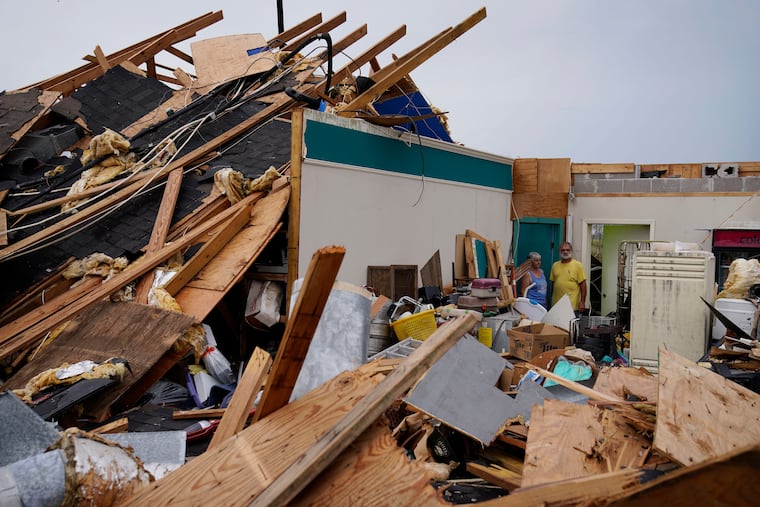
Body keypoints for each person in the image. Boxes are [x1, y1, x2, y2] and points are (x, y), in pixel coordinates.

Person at [550, 242, 588, 314]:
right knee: (555, 325)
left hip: (571, 306)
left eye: (567, 250)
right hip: (556, 306)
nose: (565, 252)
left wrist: (582, 302)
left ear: (571, 251)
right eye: (563, 250)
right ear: (559, 252)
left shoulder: (578, 265)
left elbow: (583, 285)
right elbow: (553, 283)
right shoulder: (555, 265)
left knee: (570, 325)